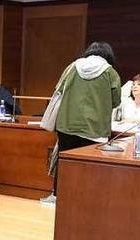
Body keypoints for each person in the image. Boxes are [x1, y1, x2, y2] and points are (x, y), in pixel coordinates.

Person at [42, 42, 121, 206]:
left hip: (67, 124)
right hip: (95, 128)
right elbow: (116, 101)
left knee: (64, 162)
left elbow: (59, 89)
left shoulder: (72, 67)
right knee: (91, 166)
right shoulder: (110, 72)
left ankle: (58, 196)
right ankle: (87, 199)